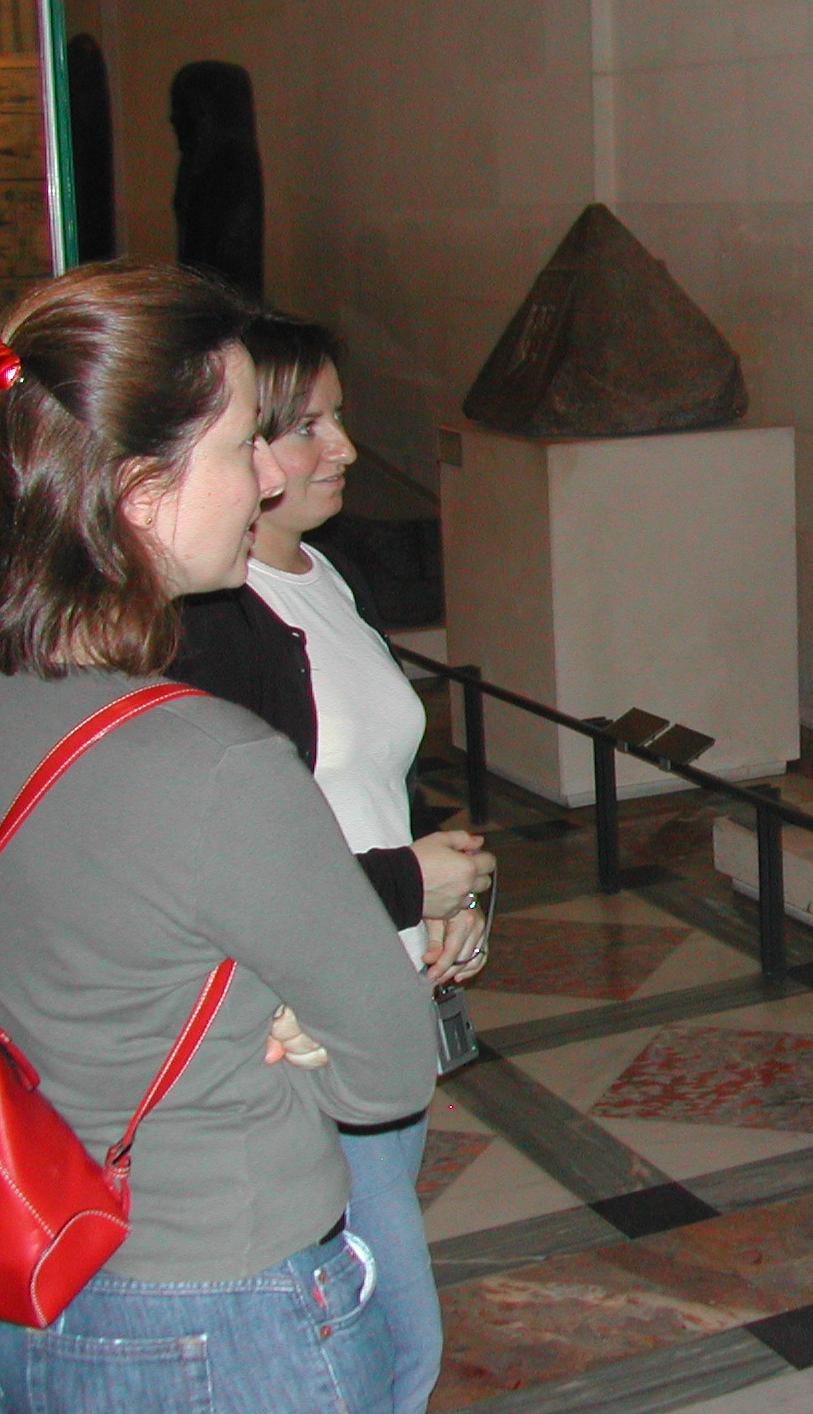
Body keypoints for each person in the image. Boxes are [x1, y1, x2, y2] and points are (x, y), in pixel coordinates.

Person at [0, 260, 437, 1413]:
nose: (270, 476)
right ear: (142, 490)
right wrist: (297, 1032)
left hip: (13, 1289)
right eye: (245, 444)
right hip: (217, 1311)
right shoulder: (210, 762)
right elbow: (390, 1066)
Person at [169, 311, 491, 1414]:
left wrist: (449, 892)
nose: (343, 448)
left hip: (373, 990)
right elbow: (229, 871)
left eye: (337, 418)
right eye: (306, 426)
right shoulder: (210, 623)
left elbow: (368, 780)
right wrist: (407, 883)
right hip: (293, 1027)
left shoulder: (324, 572)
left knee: (380, 1337)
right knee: (387, 1349)